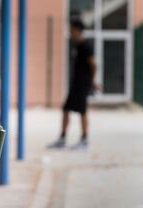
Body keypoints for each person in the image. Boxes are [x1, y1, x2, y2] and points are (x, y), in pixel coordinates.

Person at [48, 20, 99, 150]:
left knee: (82, 111)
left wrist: (92, 81)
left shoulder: (86, 46)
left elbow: (93, 64)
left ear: (77, 29)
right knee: (66, 109)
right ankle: (62, 138)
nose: (70, 31)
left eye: (71, 29)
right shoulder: (77, 45)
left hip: (83, 84)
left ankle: (84, 140)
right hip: (76, 83)